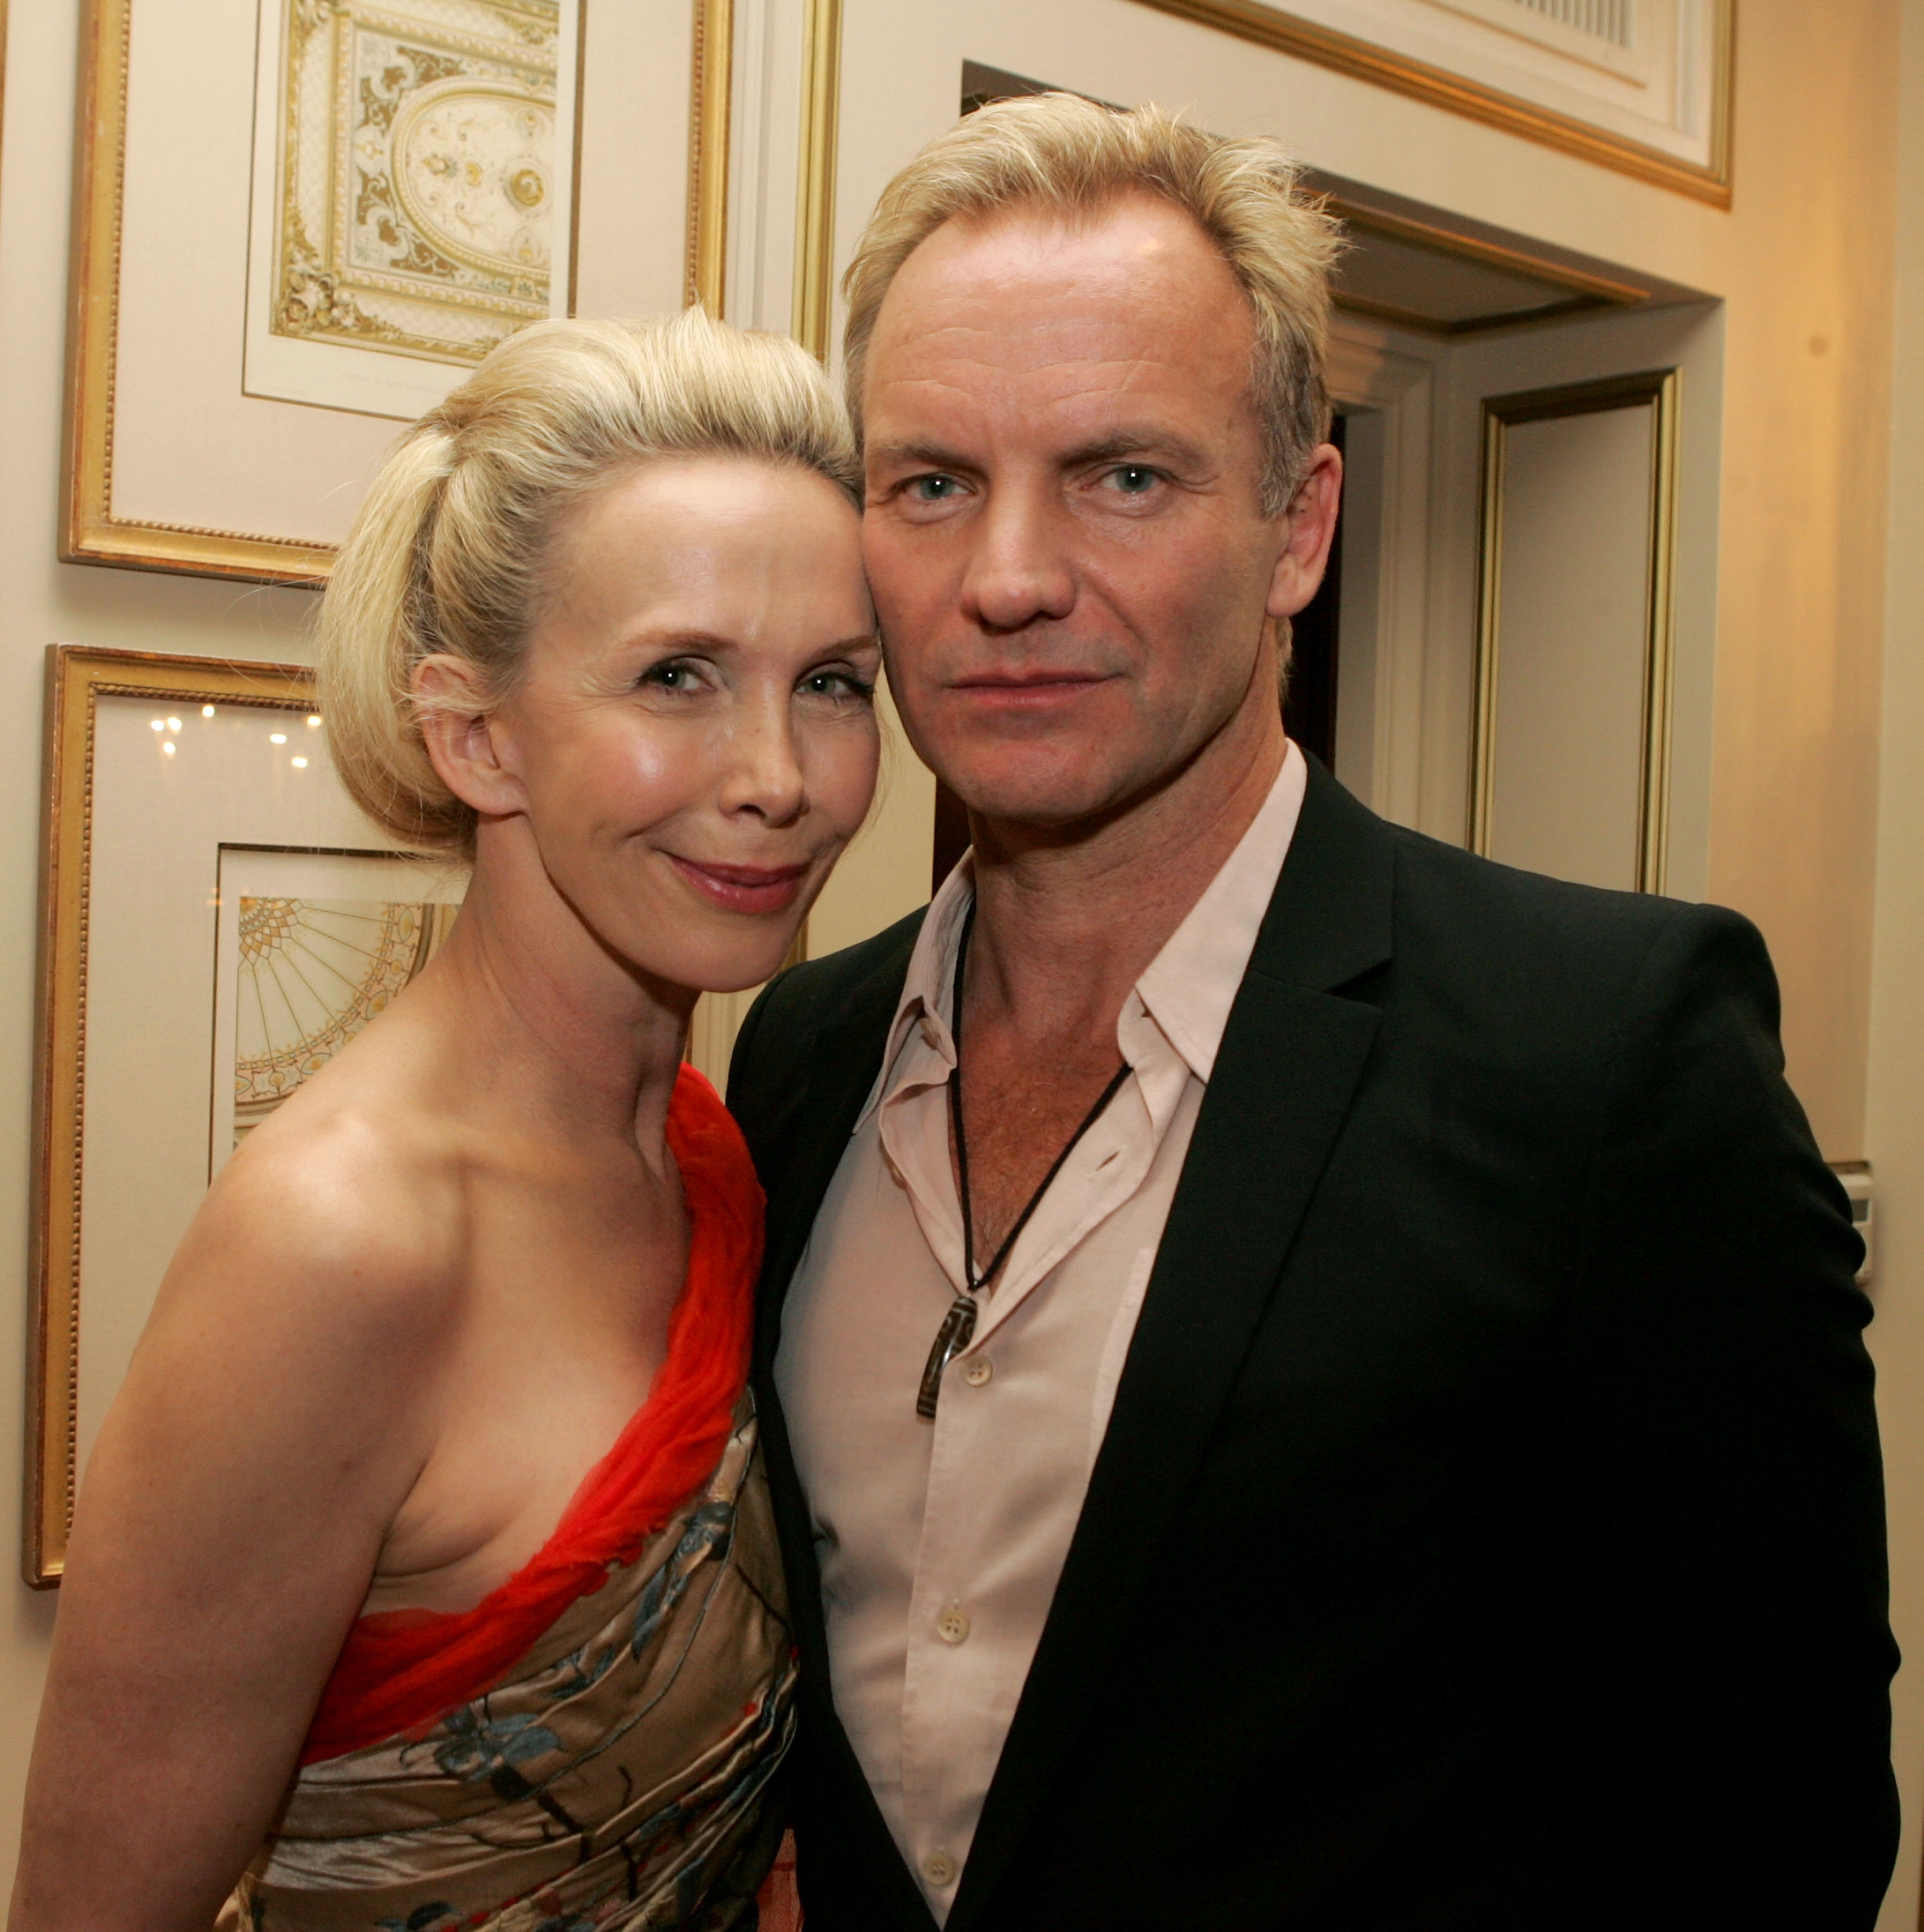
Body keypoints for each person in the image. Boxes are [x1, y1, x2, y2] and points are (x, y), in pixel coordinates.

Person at [725, 94, 1900, 1931]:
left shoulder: (1604, 1059)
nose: (1008, 577)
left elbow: (1777, 1822)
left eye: (1123, 474)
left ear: (1297, 526)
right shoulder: (795, 1056)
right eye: (931, 481)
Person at [10, 308, 880, 1931]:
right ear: (476, 735)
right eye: (678, 676)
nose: (781, 774)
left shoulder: (706, 1144)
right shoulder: (345, 1241)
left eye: (832, 682)